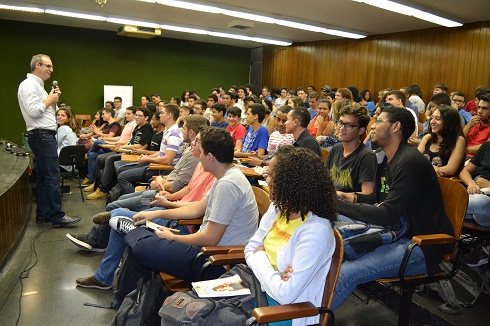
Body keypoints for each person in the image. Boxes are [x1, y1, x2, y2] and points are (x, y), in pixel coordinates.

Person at [78, 127, 258, 300]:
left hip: (214, 261)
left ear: (210, 157)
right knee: (138, 245)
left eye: (201, 153)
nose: (199, 158)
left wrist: (172, 238)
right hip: (205, 251)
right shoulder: (225, 178)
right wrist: (155, 215)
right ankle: (128, 306)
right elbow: (196, 208)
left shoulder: (228, 184)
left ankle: (133, 233)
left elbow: (210, 239)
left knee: (141, 247)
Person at [330, 106, 454, 310]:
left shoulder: (409, 161)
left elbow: (387, 214)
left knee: (346, 273)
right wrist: (348, 198)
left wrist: (339, 205)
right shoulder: (386, 159)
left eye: (379, 121)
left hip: (422, 245)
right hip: (396, 232)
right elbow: (376, 200)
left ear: (395, 126)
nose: (372, 126)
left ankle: (309, 320)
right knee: (328, 228)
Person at [244, 145, 338, 326]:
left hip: (283, 313)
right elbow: (249, 249)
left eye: (272, 175)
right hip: (256, 288)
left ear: (291, 182)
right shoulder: (278, 208)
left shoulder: (316, 231)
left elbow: (285, 295)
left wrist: (260, 256)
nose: (266, 178)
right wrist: (275, 275)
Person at [17, 54, 80, 227]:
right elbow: (34, 112)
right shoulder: (29, 85)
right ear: (37, 65)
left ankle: (43, 214)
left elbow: (43, 112)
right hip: (42, 136)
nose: (52, 70)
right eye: (48, 66)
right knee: (52, 176)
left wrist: (52, 101)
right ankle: (56, 216)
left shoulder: (39, 86)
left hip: (43, 135)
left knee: (45, 177)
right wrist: (49, 100)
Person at [326, 105, 376, 203]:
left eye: (349, 125)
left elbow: (368, 195)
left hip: (350, 210)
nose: (342, 128)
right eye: (340, 123)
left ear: (361, 130)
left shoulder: (366, 156)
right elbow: (324, 179)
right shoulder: (336, 148)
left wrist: (342, 195)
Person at [418, 105, 466, 177]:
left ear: (448, 122)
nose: (432, 122)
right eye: (432, 118)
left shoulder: (458, 140)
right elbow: (415, 160)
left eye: (437, 119)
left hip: (444, 183)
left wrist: (427, 170)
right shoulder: (427, 138)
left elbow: (450, 169)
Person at [463, 93, 490, 157]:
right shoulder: (472, 123)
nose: (480, 111)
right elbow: (458, 140)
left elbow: (487, 147)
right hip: (461, 156)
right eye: (479, 107)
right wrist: (469, 126)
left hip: (478, 160)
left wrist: (463, 150)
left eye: (485, 108)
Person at [56, 106, 78, 172]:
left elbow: (53, 144)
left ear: (68, 118)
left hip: (61, 165)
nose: (59, 117)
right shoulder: (70, 129)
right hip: (70, 165)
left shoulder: (63, 129)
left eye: (63, 115)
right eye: (58, 115)